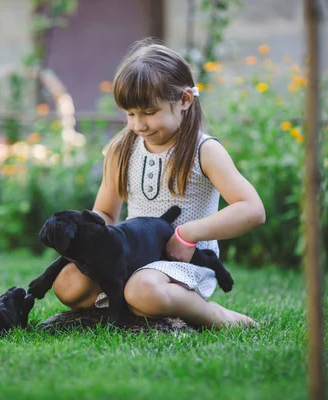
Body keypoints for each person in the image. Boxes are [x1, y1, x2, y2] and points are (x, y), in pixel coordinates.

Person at [52, 38, 266, 329]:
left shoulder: (204, 151)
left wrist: (188, 233)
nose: (139, 124)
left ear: (185, 101)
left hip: (184, 263)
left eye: (149, 113)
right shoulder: (121, 150)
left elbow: (252, 210)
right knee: (66, 284)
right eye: (130, 114)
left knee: (143, 290)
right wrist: (90, 240)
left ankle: (214, 314)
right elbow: (105, 211)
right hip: (129, 254)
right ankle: (132, 303)